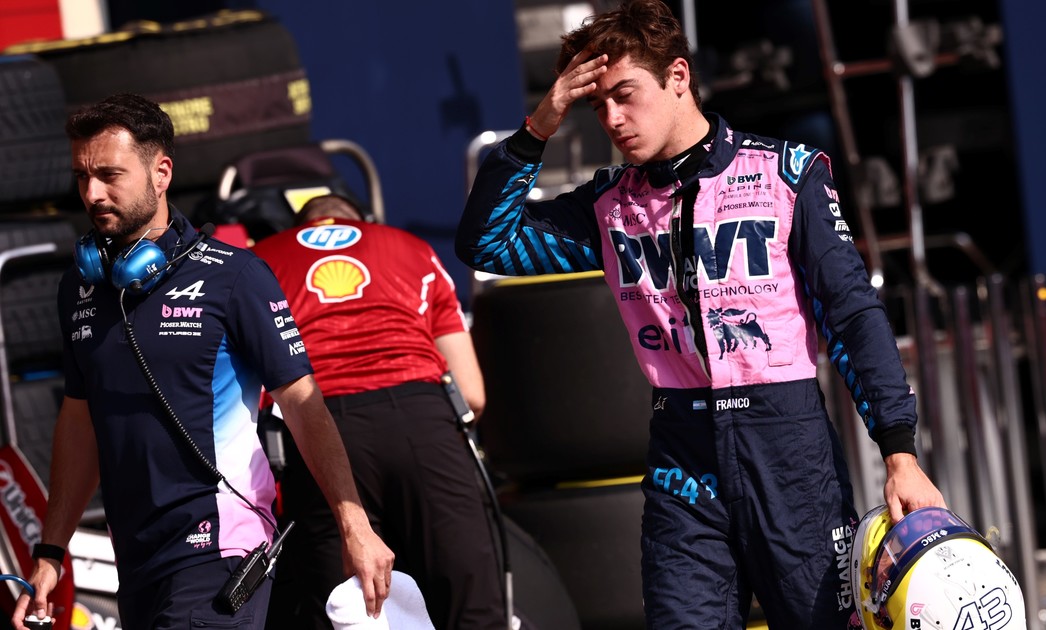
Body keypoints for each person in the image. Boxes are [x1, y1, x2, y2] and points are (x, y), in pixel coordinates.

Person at [454, 1, 946, 628]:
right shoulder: (606, 206)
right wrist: (539, 126)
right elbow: (486, 243)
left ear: (678, 76)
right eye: (596, 106)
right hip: (680, 457)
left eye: (624, 95)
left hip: (789, 450)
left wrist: (899, 453)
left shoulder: (786, 174)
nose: (612, 119)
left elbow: (853, 317)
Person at [12, 93, 394, 630]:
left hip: (220, 548)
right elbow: (80, 422)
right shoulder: (80, 285)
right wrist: (51, 551)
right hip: (136, 560)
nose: (92, 194)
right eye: (82, 177)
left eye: (109, 175)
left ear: (161, 173)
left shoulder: (234, 276)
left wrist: (354, 525)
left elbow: (304, 406)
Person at [253, 194, 504, 630]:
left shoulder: (258, 260)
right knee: (470, 601)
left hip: (317, 424)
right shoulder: (411, 246)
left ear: (297, 227)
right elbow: (473, 394)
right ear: (362, 220)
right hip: (422, 422)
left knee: (347, 609)